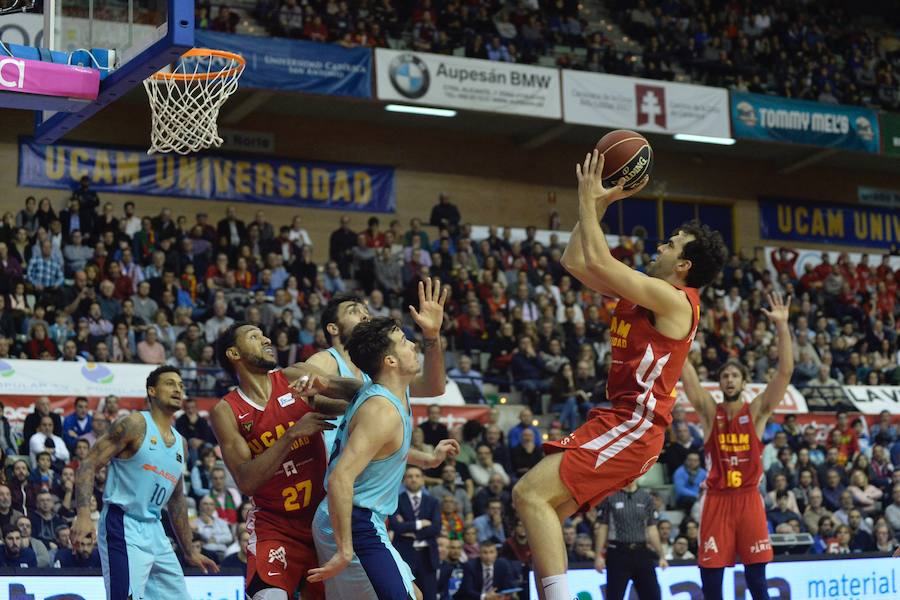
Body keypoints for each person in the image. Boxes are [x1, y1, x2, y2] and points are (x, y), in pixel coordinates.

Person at [513, 149, 726, 600]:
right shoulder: (645, 293)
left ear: (684, 265)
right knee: (540, 508)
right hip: (620, 420)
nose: (660, 246)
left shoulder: (675, 300)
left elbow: (604, 262)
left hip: (635, 425)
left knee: (529, 495)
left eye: (671, 244)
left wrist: (589, 201)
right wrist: (600, 205)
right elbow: (577, 261)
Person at [309, 316, 460, 599]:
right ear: (390, 361)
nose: (412, 345)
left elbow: (384, 448)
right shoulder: (382, 411)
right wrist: (345, 550)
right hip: (353, 522)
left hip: (359, 520)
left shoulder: (389, 391)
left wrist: (427, 459)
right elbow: (342, 477)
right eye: (404, 341)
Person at [211, 323, 362, 600]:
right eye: (254, 336)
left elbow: (362, 394)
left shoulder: (294, 376)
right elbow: (246, 481)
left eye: (263, 333)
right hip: (275, 526)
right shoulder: (227, 410)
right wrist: (292, 434)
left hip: (324, 520)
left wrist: (325, 384)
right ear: (234, 353)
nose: (266, 338)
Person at [680, 292, 793, 600]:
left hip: (748, 500)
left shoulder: (756, 411)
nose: (729, 379)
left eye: (734, 375)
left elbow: (784, 373)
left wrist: (782, 327)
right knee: (712, 585)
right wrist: (678, 331)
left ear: (744, 382)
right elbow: (686, 373)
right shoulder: (708, 411)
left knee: (757, 583)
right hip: (716, 501)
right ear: (720, 383)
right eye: (724, 376)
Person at [70, 367, 218, 599]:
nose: (178, 389)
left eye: (180, 385)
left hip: (156, 529)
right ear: (152, 391)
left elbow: (177, 499)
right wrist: (84, 515)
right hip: (123, 524)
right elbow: (88, 463)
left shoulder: (182, 444)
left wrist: (189, 550)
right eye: (170, 383)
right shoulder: (134, 424)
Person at [304, 292, 373, 454]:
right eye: (353, 311)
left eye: (366, 312)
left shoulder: (372, 368)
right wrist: (359, 406)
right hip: (330, 464)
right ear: (333, 328)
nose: (365, 317)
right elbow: (300, 395)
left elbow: (433, 388)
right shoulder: (324, 359)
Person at [594, 480, 667, 600]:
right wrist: (598, 556)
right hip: (618, 553)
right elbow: (603, 527)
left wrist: (661, 555)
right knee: (614, 596)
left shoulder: (646, 497)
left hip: (641, 552)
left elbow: (652, 528)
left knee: (653, 595)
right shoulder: (610, 497)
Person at [389, 465, 442, 600]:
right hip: (405, 554)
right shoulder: (396, 500)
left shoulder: (433, 502)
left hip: (428, 555)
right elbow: (396, 527)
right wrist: (420, 524)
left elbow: (436, 527)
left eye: (417, 476)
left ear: (423, 480)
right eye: (409, 476)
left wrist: (411, 531)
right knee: (408, 595)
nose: (413, 479)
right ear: (404, 480)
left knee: (429, 595)